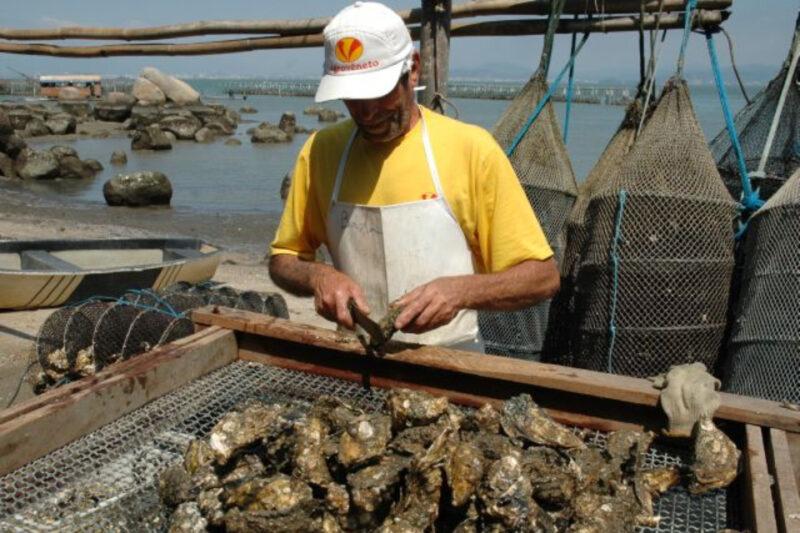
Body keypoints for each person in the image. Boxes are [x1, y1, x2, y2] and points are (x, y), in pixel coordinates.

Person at [269, 1, 559, 352]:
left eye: (379, 91)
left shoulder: (470, 149)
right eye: (352, 97)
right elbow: (283, 259)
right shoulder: (321, 151)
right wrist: (319, 276)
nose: (367, 111)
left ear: (414, 70)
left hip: (452, 356)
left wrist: (460, 291)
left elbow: (542, 277)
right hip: (356, 356)